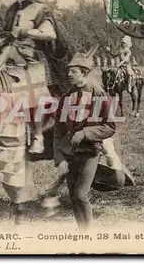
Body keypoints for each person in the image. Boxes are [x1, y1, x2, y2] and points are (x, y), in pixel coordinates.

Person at [0, 0, 61, 154]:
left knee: (32, 87)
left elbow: (50, 34)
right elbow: (6, 34)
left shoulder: (40, 8)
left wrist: (24, 32)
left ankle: (38, 135)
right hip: (8, 55)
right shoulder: (11, 10)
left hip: (32, 57)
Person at [53, 52, 116, 231]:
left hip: (90, 152)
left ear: (84, 73)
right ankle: (82, 232)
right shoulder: (66, 98)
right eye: (69, 71)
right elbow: (58, 132)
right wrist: (60, 159)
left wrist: (84, 133)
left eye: (73, 71)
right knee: (73, 195)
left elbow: (110, 126)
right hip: (70, 154)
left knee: (81, 194)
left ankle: (89, 235)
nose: (69, 75)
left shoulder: (98, 94)